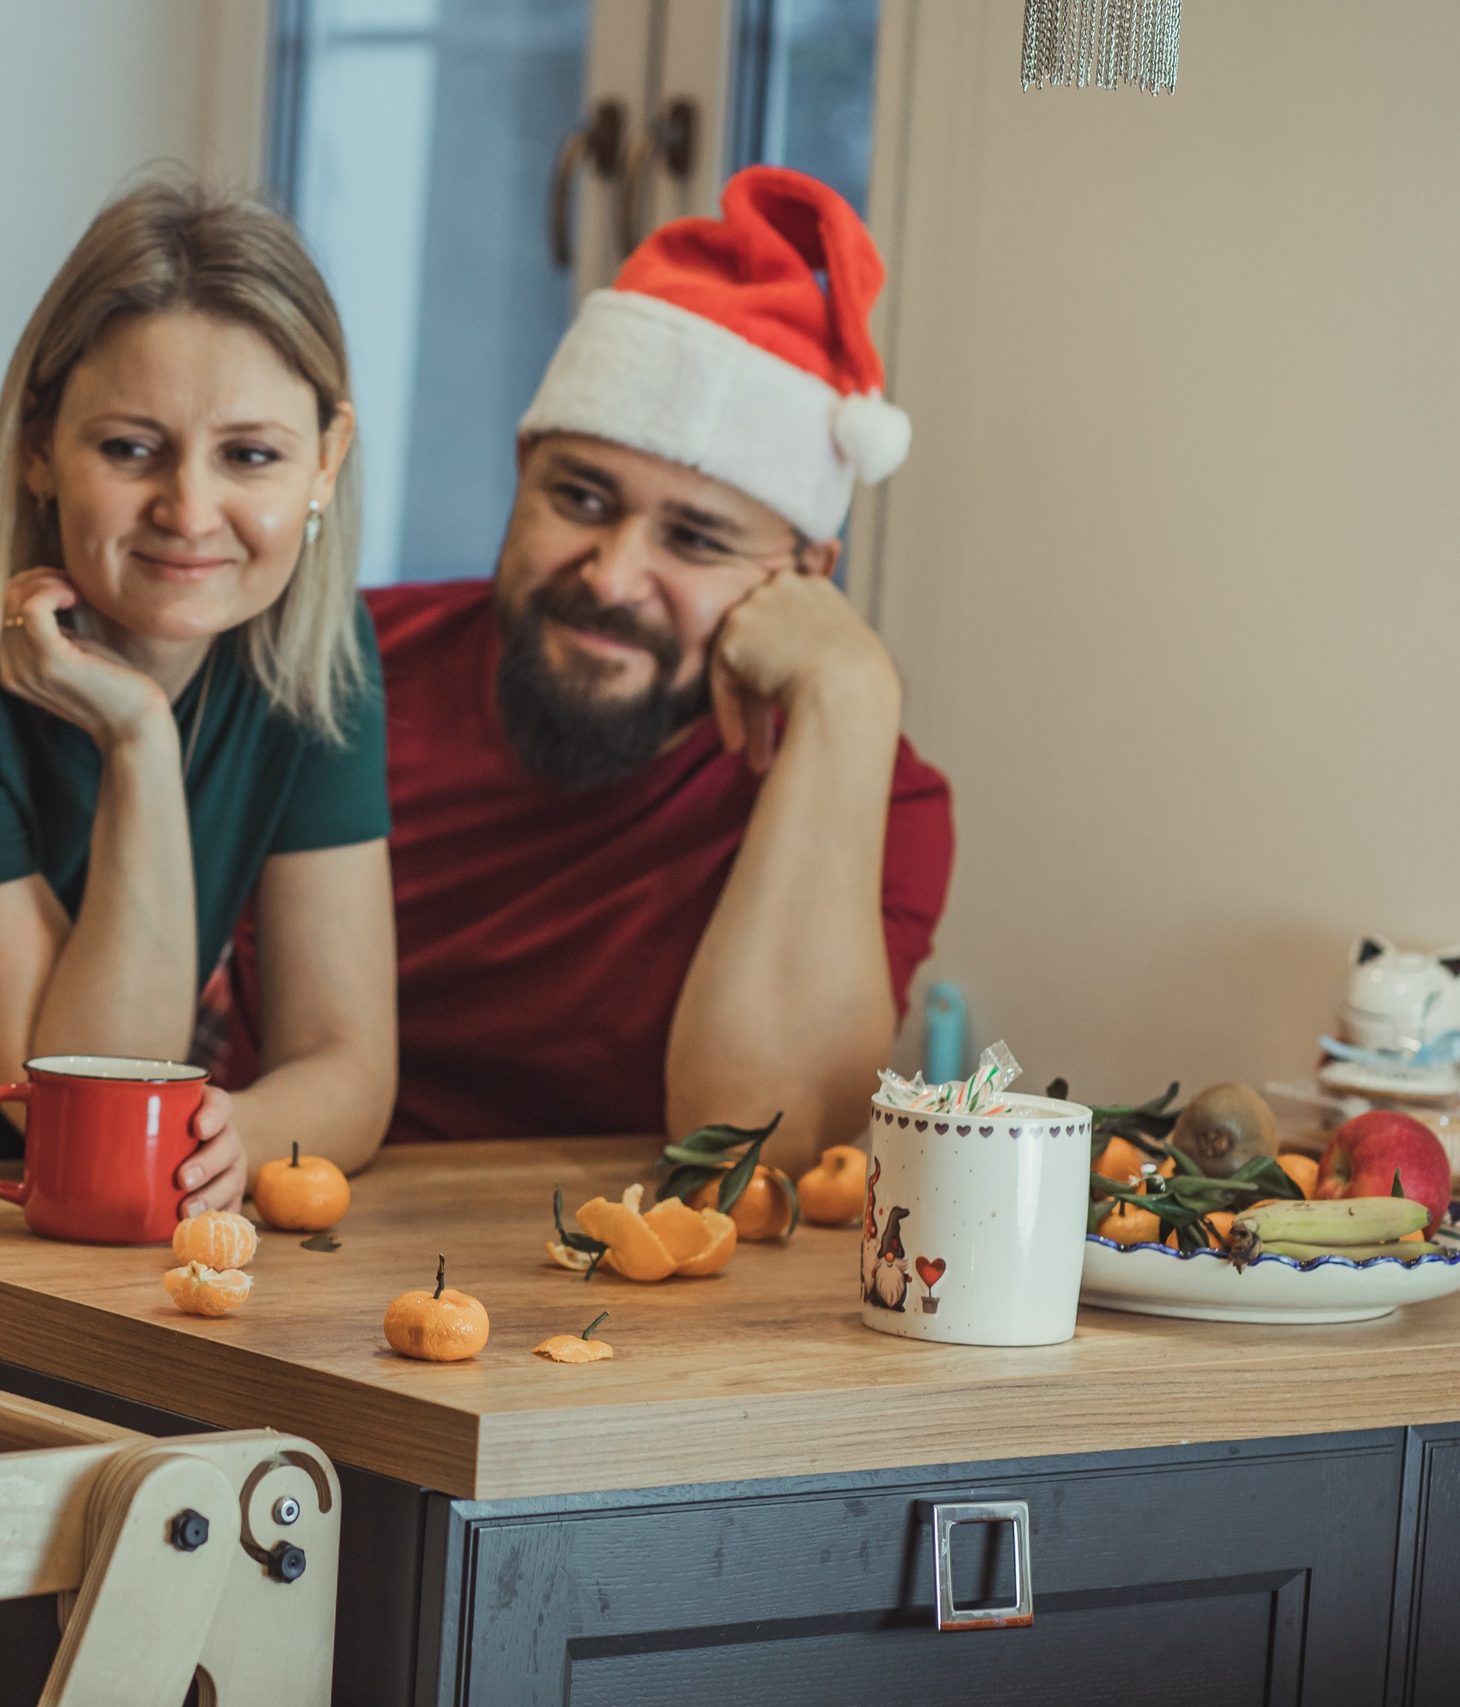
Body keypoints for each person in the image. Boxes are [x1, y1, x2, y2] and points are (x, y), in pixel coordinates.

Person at [244, 166, 953, 1174]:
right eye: (578, 499)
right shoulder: (331, 664)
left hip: (630, 1285)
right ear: (520, 472)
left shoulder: (889, 800)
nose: (615, 577)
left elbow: (754, 1144)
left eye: (697, 542)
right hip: (275, 1232)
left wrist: (848, 694)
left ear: (804, 575)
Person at [0, 182, 396, 1213]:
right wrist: (140, 735)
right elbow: (76, 1112)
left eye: (251, 455)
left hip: (73, 1236)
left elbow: (349, 1069)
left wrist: (237, 1141)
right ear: (38, 451)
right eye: (129, 448)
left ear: (325, 462)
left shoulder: (317, 657)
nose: (189, 510)